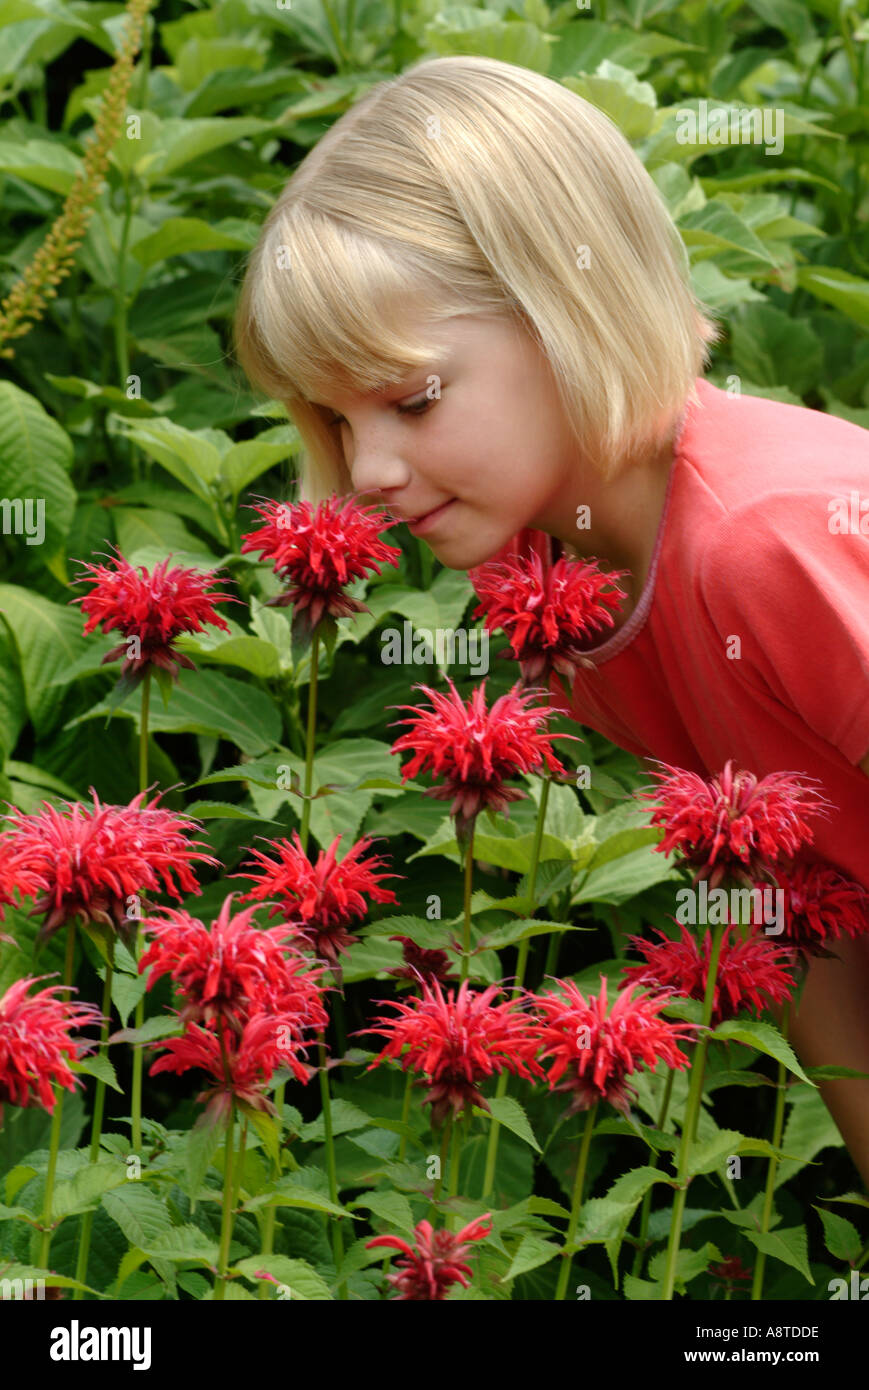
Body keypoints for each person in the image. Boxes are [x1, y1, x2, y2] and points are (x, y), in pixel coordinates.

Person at [233, 55, 869, 1188]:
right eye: (336, 420)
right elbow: (817, 920)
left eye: (412, 398)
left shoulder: (766, 541)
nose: (367, 470)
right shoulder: (569, 589)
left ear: (567, 310)